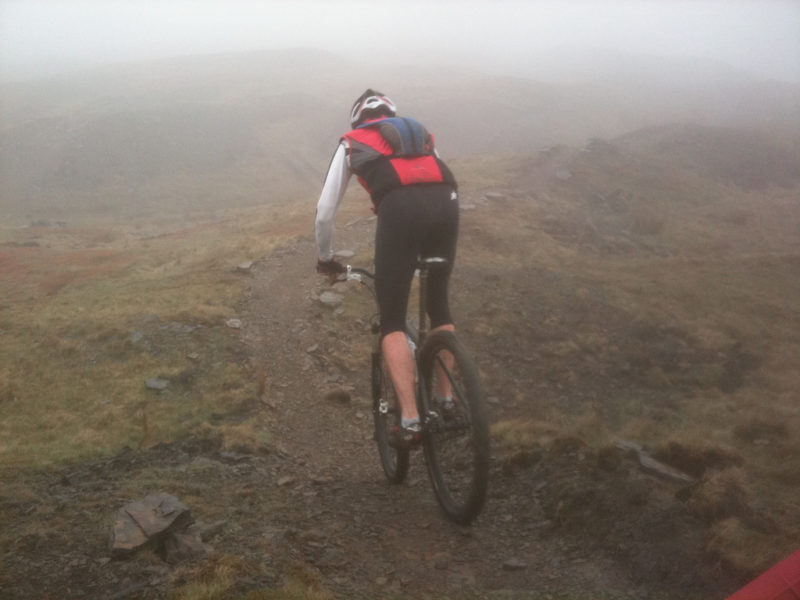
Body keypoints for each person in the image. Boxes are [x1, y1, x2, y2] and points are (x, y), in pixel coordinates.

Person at [315, 89, 459, 447]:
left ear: (357, 119)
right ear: (390, 114)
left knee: (392, 319)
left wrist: (326, 258)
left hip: (401, 211)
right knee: (439, 306)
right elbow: (433, 174)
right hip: (447, 203)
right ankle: (448, 401)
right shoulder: (418, 132)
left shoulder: (352, 141)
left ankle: (410, 422)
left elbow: (324, 212)